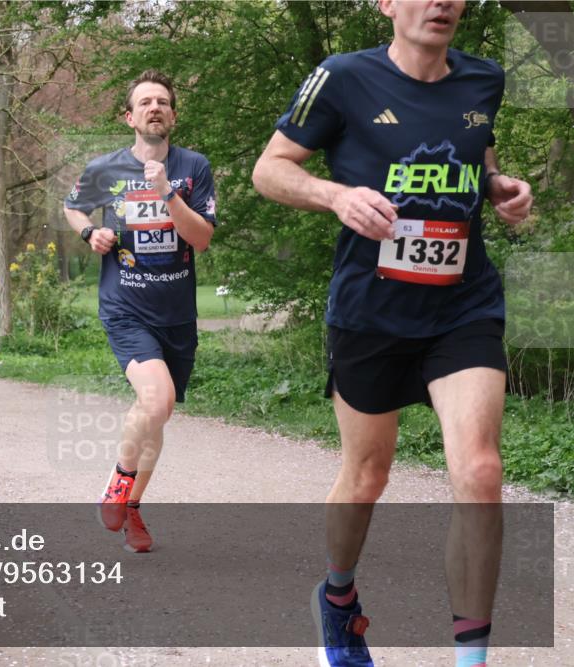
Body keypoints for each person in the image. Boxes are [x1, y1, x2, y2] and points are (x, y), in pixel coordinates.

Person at [252, 1, 533, 665]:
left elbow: (476, 152)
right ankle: (338, 598)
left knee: (480, 470)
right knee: (368, 474)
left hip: (462, 305)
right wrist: (336, 196)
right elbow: (269, 169)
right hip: (370, 312)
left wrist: (498, 186)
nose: (440, 2)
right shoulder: (342, 76)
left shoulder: (482, 80)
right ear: (386, 3)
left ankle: (472, 660)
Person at [63, 70, 217, 553]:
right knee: (155, 400)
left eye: (162, 102)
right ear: (129, 117)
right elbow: (73, 207)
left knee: (159, 412)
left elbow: (202, 238)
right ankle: (118, 484)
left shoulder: (194, 167)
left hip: (177, 313)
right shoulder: (104, 169)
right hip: (126, 306)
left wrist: (168, 192)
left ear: (173, 114)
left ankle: (131, 505)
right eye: (145, 102)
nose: (155, 108)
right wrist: (90, 233)